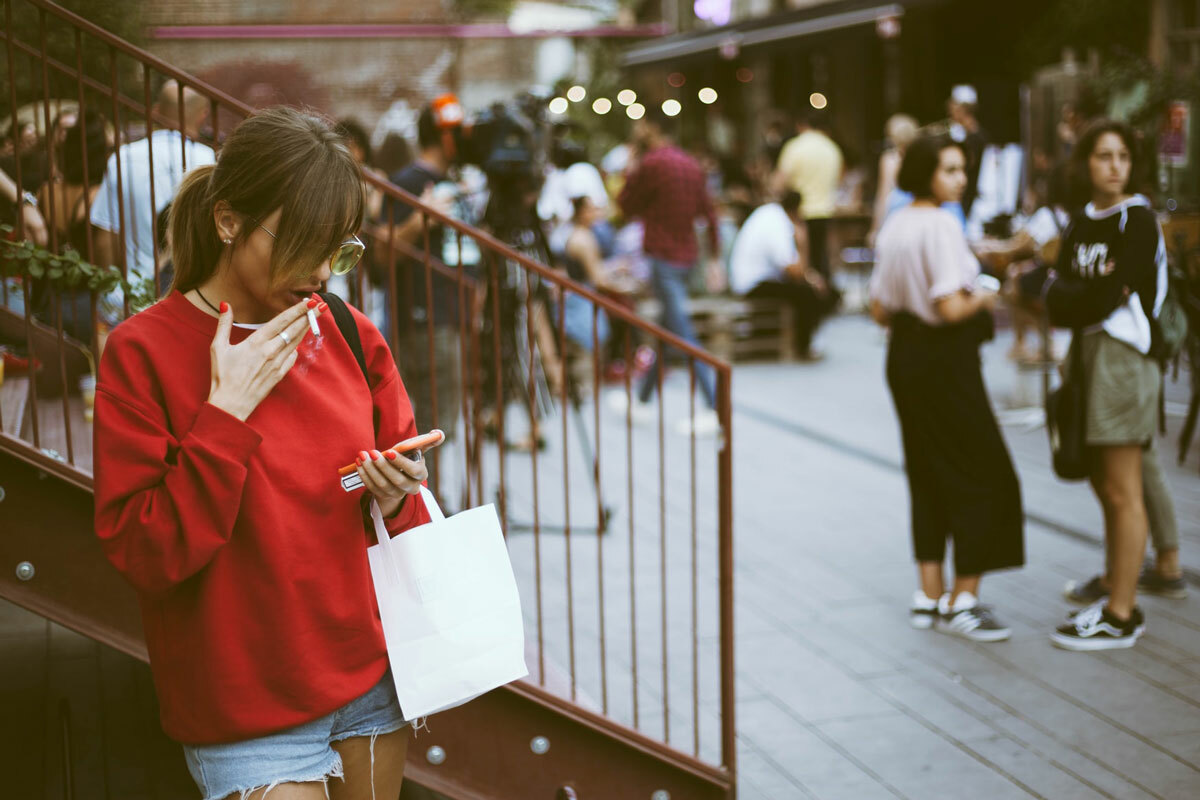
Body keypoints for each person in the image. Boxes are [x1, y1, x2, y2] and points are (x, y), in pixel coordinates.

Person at [93, 107, 432, 799]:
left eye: (338, 250)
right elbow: (143, 551)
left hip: (368, 679)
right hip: (245, 711)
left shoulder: (344, 327)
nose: (319, 270)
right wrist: (225, 415)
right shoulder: (144, 351)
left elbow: (403, 512)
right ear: (227, 222)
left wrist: (398, 494)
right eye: (303, 243)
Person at [869, 134, 1024, 642]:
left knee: (926, 467)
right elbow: (949, 307)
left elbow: (878, 309)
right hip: (945, 359)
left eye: (962, 168)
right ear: (926, 172)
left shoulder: (896, 223)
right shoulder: (941, 224)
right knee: (982, 470)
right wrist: (987, 295)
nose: (961, 178)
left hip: (904, 357)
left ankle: (929, 592)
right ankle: (965, 598)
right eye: (951, 169)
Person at [1042, 120, 1176, 649]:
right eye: (1103, 156)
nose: (1115, 165)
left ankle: (1122, 613)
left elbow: (1100, 297)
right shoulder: (1081, 223)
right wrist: (1077, 294)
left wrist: (1076, 293)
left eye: (1123, 156)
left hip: (1124, 357)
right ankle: (1116, 584)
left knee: (1124, 488)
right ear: (1086, 164)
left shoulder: (1137, 220)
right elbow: (1060, 298)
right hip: (1085, 356)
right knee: (1102, 482)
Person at [615, 105, 722, 436]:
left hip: (663, 256)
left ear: (652, 127)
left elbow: (624, 204)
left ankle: (715, 406)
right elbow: (710, 213)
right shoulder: (690, 164)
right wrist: (716, 258)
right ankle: (643, 400)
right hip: (686, 256)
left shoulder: (650, 164)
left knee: (683, 333)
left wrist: (632, 161)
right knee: (668, 328)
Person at [90, 80, 214, 317]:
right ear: (203, 115)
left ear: (157, 110)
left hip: (129, 295)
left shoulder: (123, 156)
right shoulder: (206, 159)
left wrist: (108, 289)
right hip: (187, 295)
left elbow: (106, 234)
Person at [32, 111, 112, 341]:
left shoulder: (46, 191)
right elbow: (103, 259)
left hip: (49, 297)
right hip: (86, 302)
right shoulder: (97, 196)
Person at [729, 191, 837, 361]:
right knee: (807, 293)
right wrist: (802, 242)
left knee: (806, 289)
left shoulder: (770, 214)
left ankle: (795, 341)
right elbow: (793, 270)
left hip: (751, 279)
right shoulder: (778, 222)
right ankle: (804, 347)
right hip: (752, 283)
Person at [773, 111, 843, 281]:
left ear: (801, 125)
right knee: (823, 262)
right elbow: (839, 180)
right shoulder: (832, 148)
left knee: (805, 265)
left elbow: (779, 182)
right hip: (826, 211)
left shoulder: (795, 147)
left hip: (800, 212)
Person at [868, 113, 919, 248]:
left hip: (895, 212)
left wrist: (875, 229)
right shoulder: (918, 158)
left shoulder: (890, 159)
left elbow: (882, 195)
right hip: (916, 211)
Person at [947, 84, 988, 219]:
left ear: (962, 109)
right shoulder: (964, 133)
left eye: (953, 105)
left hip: (969, 199)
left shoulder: (975, 138)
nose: (950, 110)